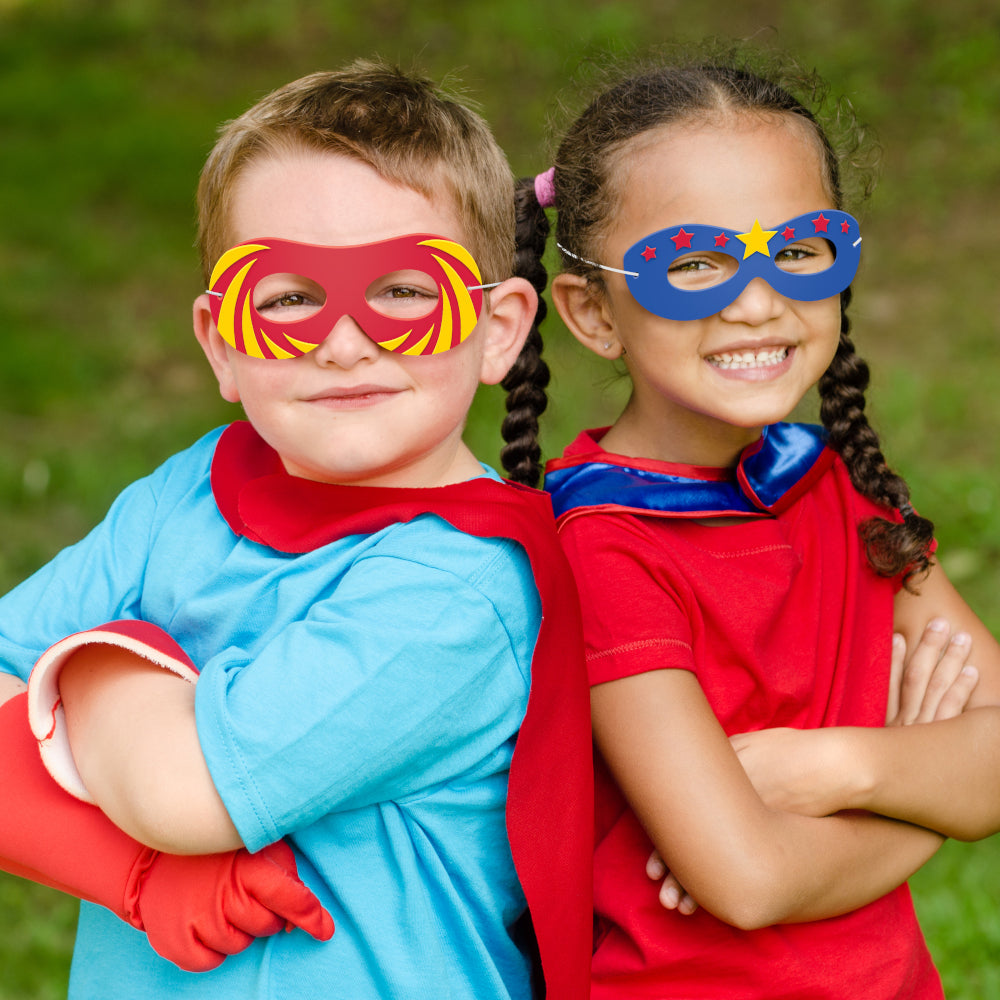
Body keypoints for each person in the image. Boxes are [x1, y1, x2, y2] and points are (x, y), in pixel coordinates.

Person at [3, 60, 592, 999]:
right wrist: (135, 875)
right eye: (285, 297)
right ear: (221, 343)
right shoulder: (191, 488)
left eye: (405, 290)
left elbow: (183, 794)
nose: (344, 342)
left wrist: (94, 663)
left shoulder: (463, 588)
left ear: (498, 329)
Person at [505, 52, 1000, 998]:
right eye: (693, 265)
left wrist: (829, 767)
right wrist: (931, 793)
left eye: (802, 250)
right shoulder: (600, 544)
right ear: (593, 313)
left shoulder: (837, 484)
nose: (759, 302)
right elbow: (748, 879)